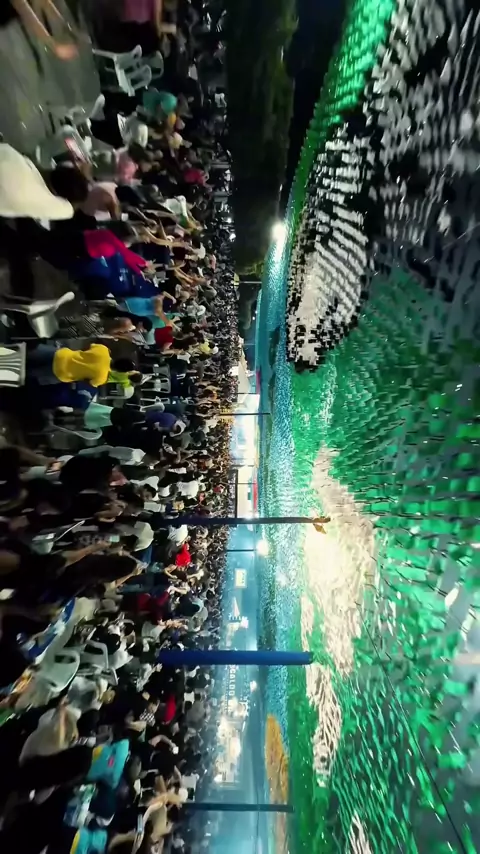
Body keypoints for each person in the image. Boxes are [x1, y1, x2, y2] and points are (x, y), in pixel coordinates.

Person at [27, 342, 136, 388]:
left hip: (61, 355)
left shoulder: (103, 350)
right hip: (60, 373)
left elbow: (87, 347)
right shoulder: (102, 378)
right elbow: (86, 382)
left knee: (26, 353)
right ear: (119, 371)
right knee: (25, 372)